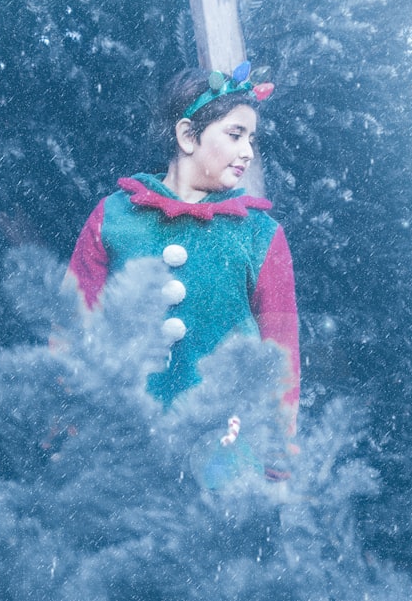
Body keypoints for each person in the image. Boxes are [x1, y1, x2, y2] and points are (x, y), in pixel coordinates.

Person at [64, 62, 300, 447]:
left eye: (251, 140)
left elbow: (280, 347)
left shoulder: (260, 234)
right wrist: (68, 420)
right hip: (123, 441)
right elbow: (73, 320)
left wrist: (276, 443)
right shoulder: (115, 217)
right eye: (235, 134)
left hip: (226, 445)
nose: (247, 152)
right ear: (188, 136)